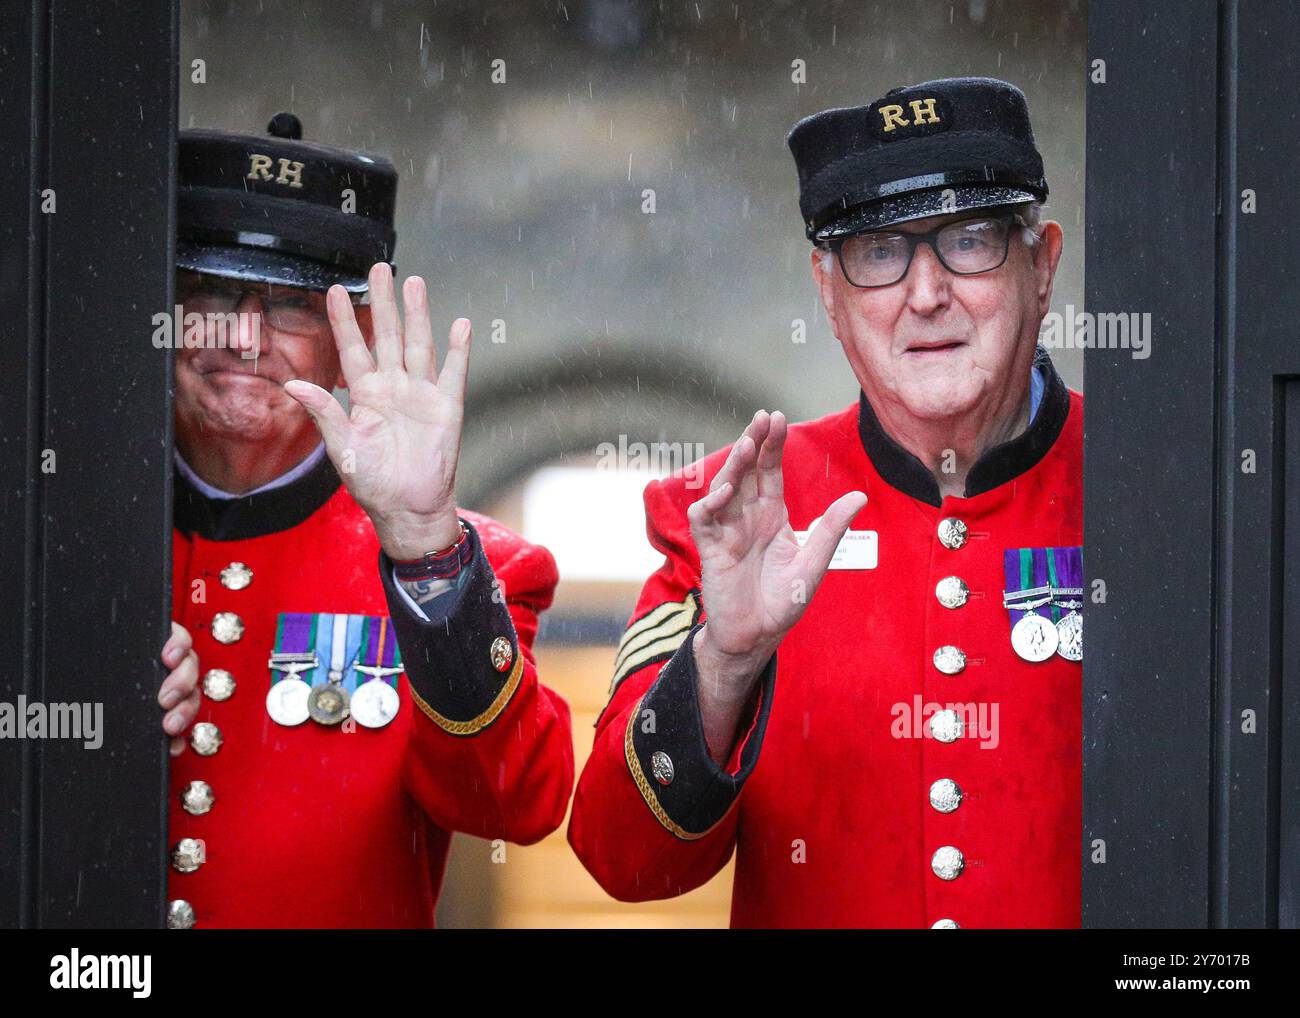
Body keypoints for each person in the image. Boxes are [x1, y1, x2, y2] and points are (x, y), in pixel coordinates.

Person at [568, 77, 1082, 928]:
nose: (925, 294)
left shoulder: (1154, 492)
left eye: (970, 238)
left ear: (1042, 264)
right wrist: (724, 664)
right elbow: (624, 860)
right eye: (878, 251)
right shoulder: (722, 511)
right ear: (829, 294)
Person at [154, 113, 574, 928]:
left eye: (291, 308)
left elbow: (518, 805)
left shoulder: (464, 566)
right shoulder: (55, 538)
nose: (245, 337)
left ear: (354, 341)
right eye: (211, 293)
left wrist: (424, 549)